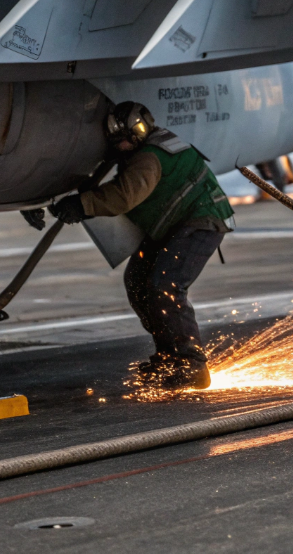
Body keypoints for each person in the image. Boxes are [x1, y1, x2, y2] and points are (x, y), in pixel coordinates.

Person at [49, 101, 234, 389]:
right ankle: (169, 356)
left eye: (129, 132)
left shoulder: (149, 157)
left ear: (144, 127)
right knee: (137, 279)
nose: (123, 141)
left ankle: (192, 364)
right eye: (116, 134)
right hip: (174, 227)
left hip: (201, 222)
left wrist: (81, 204)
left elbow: (124, 196)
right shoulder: (136, 154)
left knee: (165, 284)